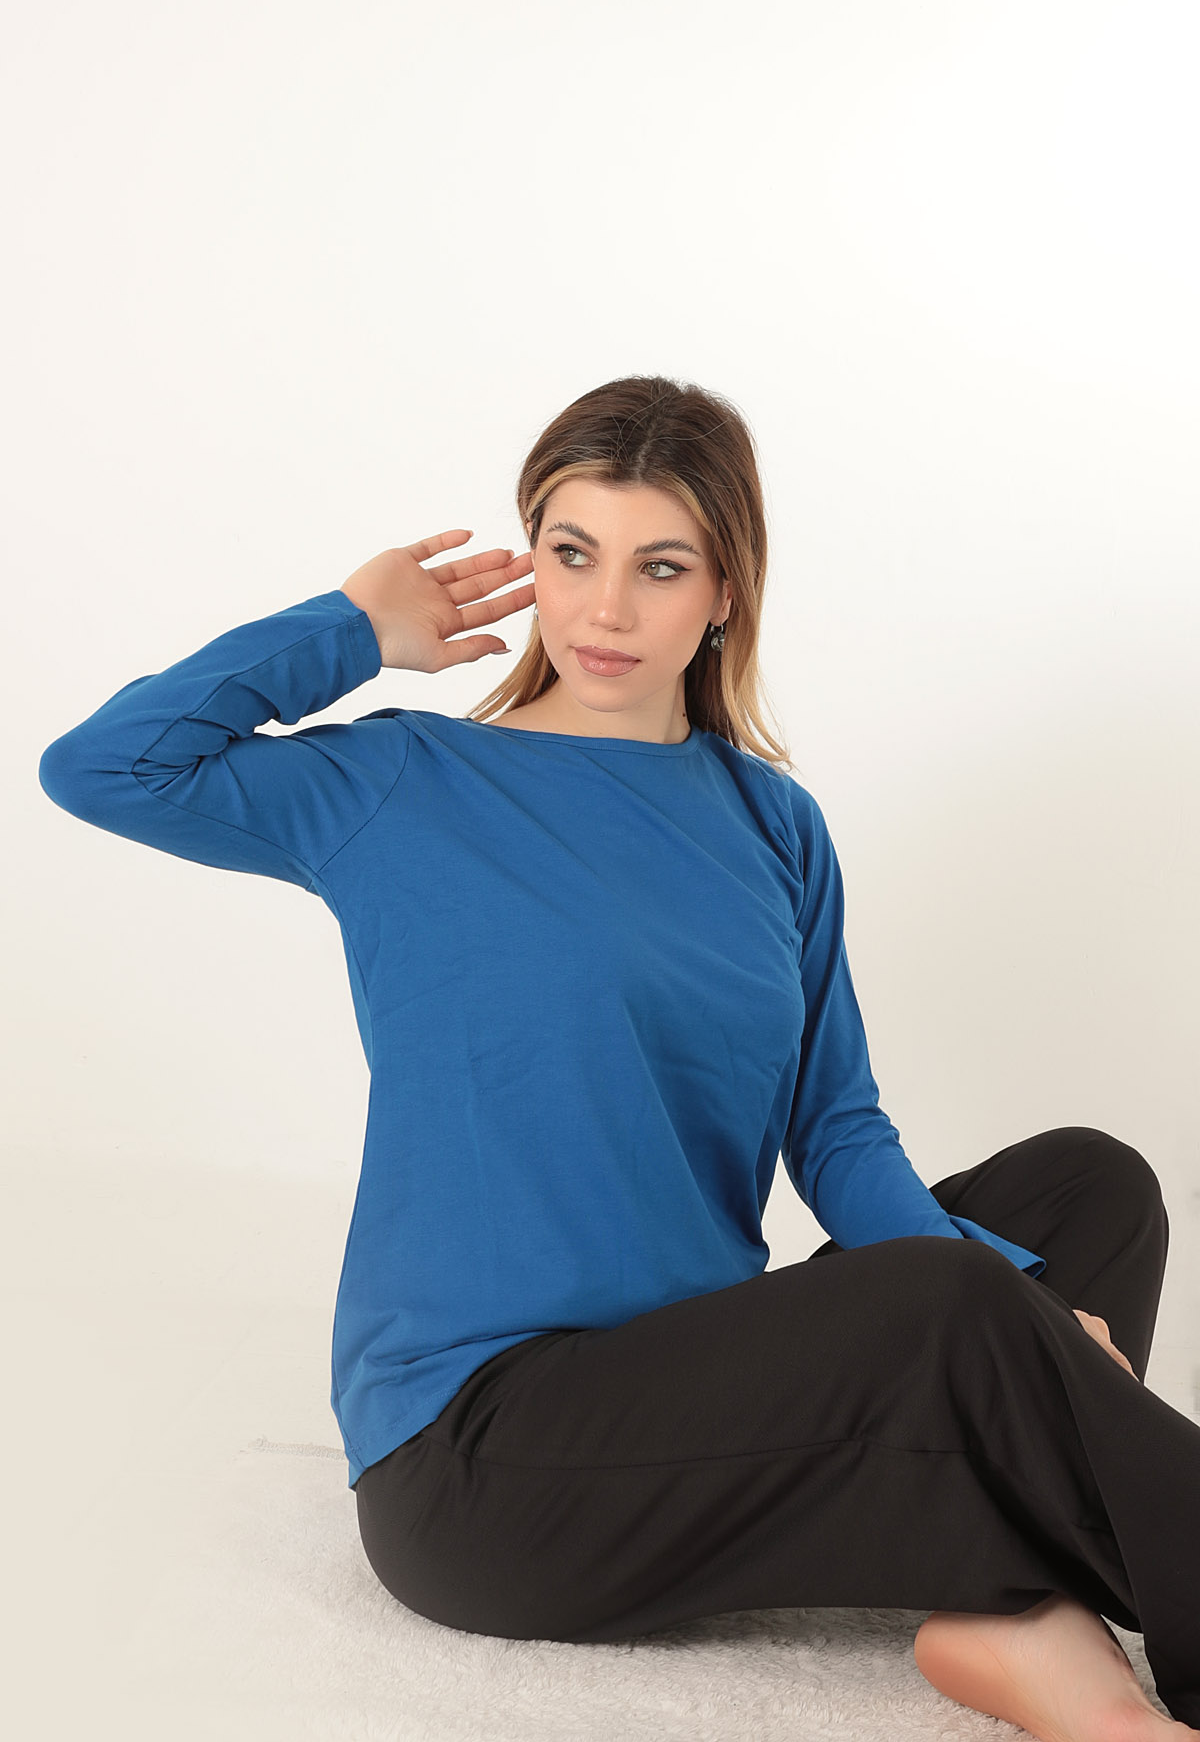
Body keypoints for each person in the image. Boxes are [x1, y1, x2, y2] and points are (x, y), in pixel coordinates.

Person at [38, 375, 1199, 1739]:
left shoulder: (772, 822)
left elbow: (837, 1133)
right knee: (959, 1300)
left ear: (723, 592)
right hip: (484, 1461)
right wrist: (350, 628)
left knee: (1089, 1187)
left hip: (698, 1389)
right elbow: (104, 767)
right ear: (531, 558)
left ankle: (1009, 1614)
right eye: (572, 553)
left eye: (660, 567)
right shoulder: (404, 785)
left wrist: (1019, 1300)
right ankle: (1047, 1597)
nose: (604, 609)